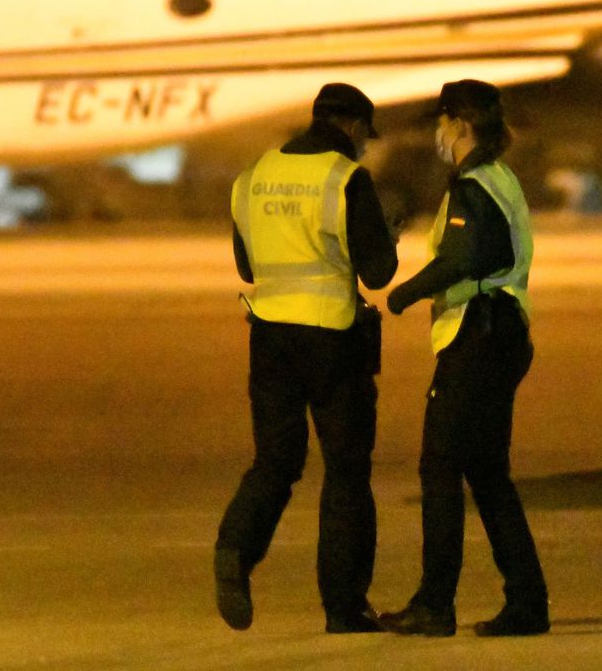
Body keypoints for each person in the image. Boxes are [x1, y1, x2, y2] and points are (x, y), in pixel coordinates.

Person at [214, 82, 399, 634]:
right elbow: (379, 274)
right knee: (345, 471)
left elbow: (248, 268)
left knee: (275, 462)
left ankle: (235, 551)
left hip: (269, 338)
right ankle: (344, 607)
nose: (366, 145)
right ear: (352, 126)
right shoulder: (346, 178)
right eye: (366, 134)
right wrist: (385, 236)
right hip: (332, 339)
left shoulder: (254, 176)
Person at [380, 79, 549, 638]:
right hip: (502, 333)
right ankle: (527, 601)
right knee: (487, 472)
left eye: (441, 121)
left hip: (477, 337)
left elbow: (470, 253)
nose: (437, 131)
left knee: (440, 465)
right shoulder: (500, 179)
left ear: (460, 124)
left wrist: (405, 293)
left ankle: (435, 603)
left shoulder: (473, 185)